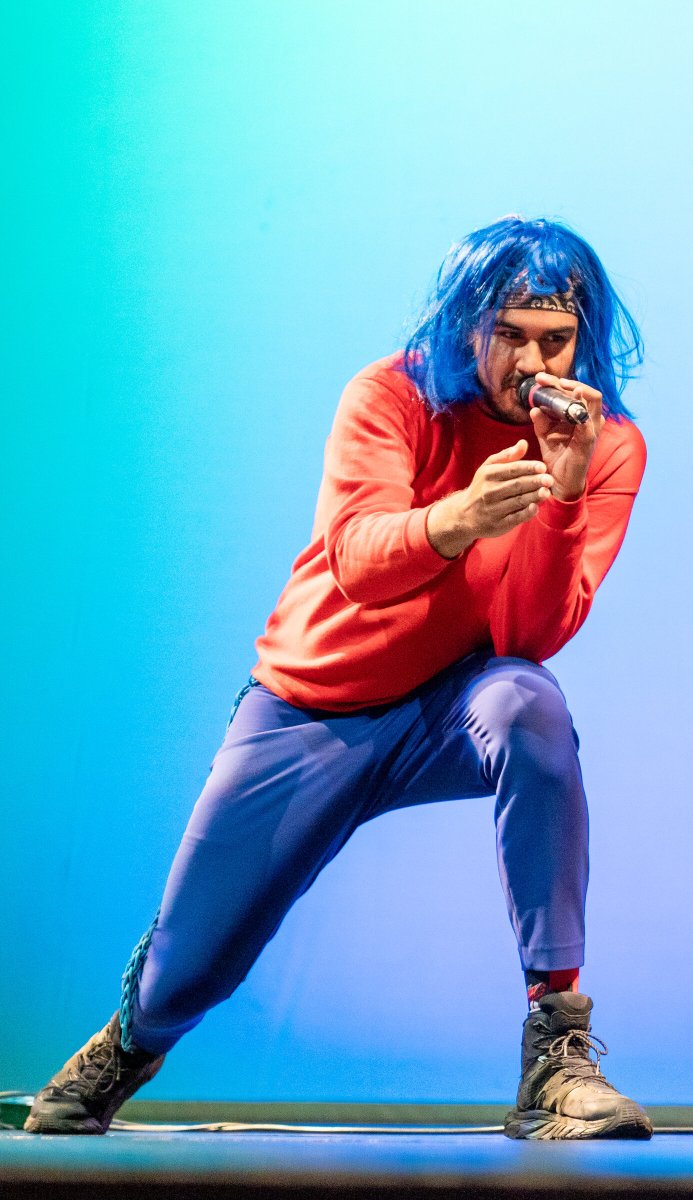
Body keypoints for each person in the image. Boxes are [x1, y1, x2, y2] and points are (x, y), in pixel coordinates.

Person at [25, 215, 652, 1141]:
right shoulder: (391, 395)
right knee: (186, 971)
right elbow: (360, 563)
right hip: (309, 708)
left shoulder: (606, 443)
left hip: (448, 705)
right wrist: (458, 520)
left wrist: (561, 500)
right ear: (469, 323)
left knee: (529, 707)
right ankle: (130, 1039)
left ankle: (554, 1051)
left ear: (582, 338)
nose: (531, 362)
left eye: (553, 339)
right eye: (508, 335)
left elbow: (529, 633)